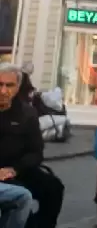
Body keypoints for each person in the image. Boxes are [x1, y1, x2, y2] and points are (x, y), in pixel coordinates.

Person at [0, 63, 64, 228]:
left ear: (18, 87)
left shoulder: (27, 113)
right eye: (0, 84)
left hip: (17, 169)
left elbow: (36, 152)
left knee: (54, 188)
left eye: (9, 85)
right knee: (20, 196)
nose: (3, 91)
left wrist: (15, 169)